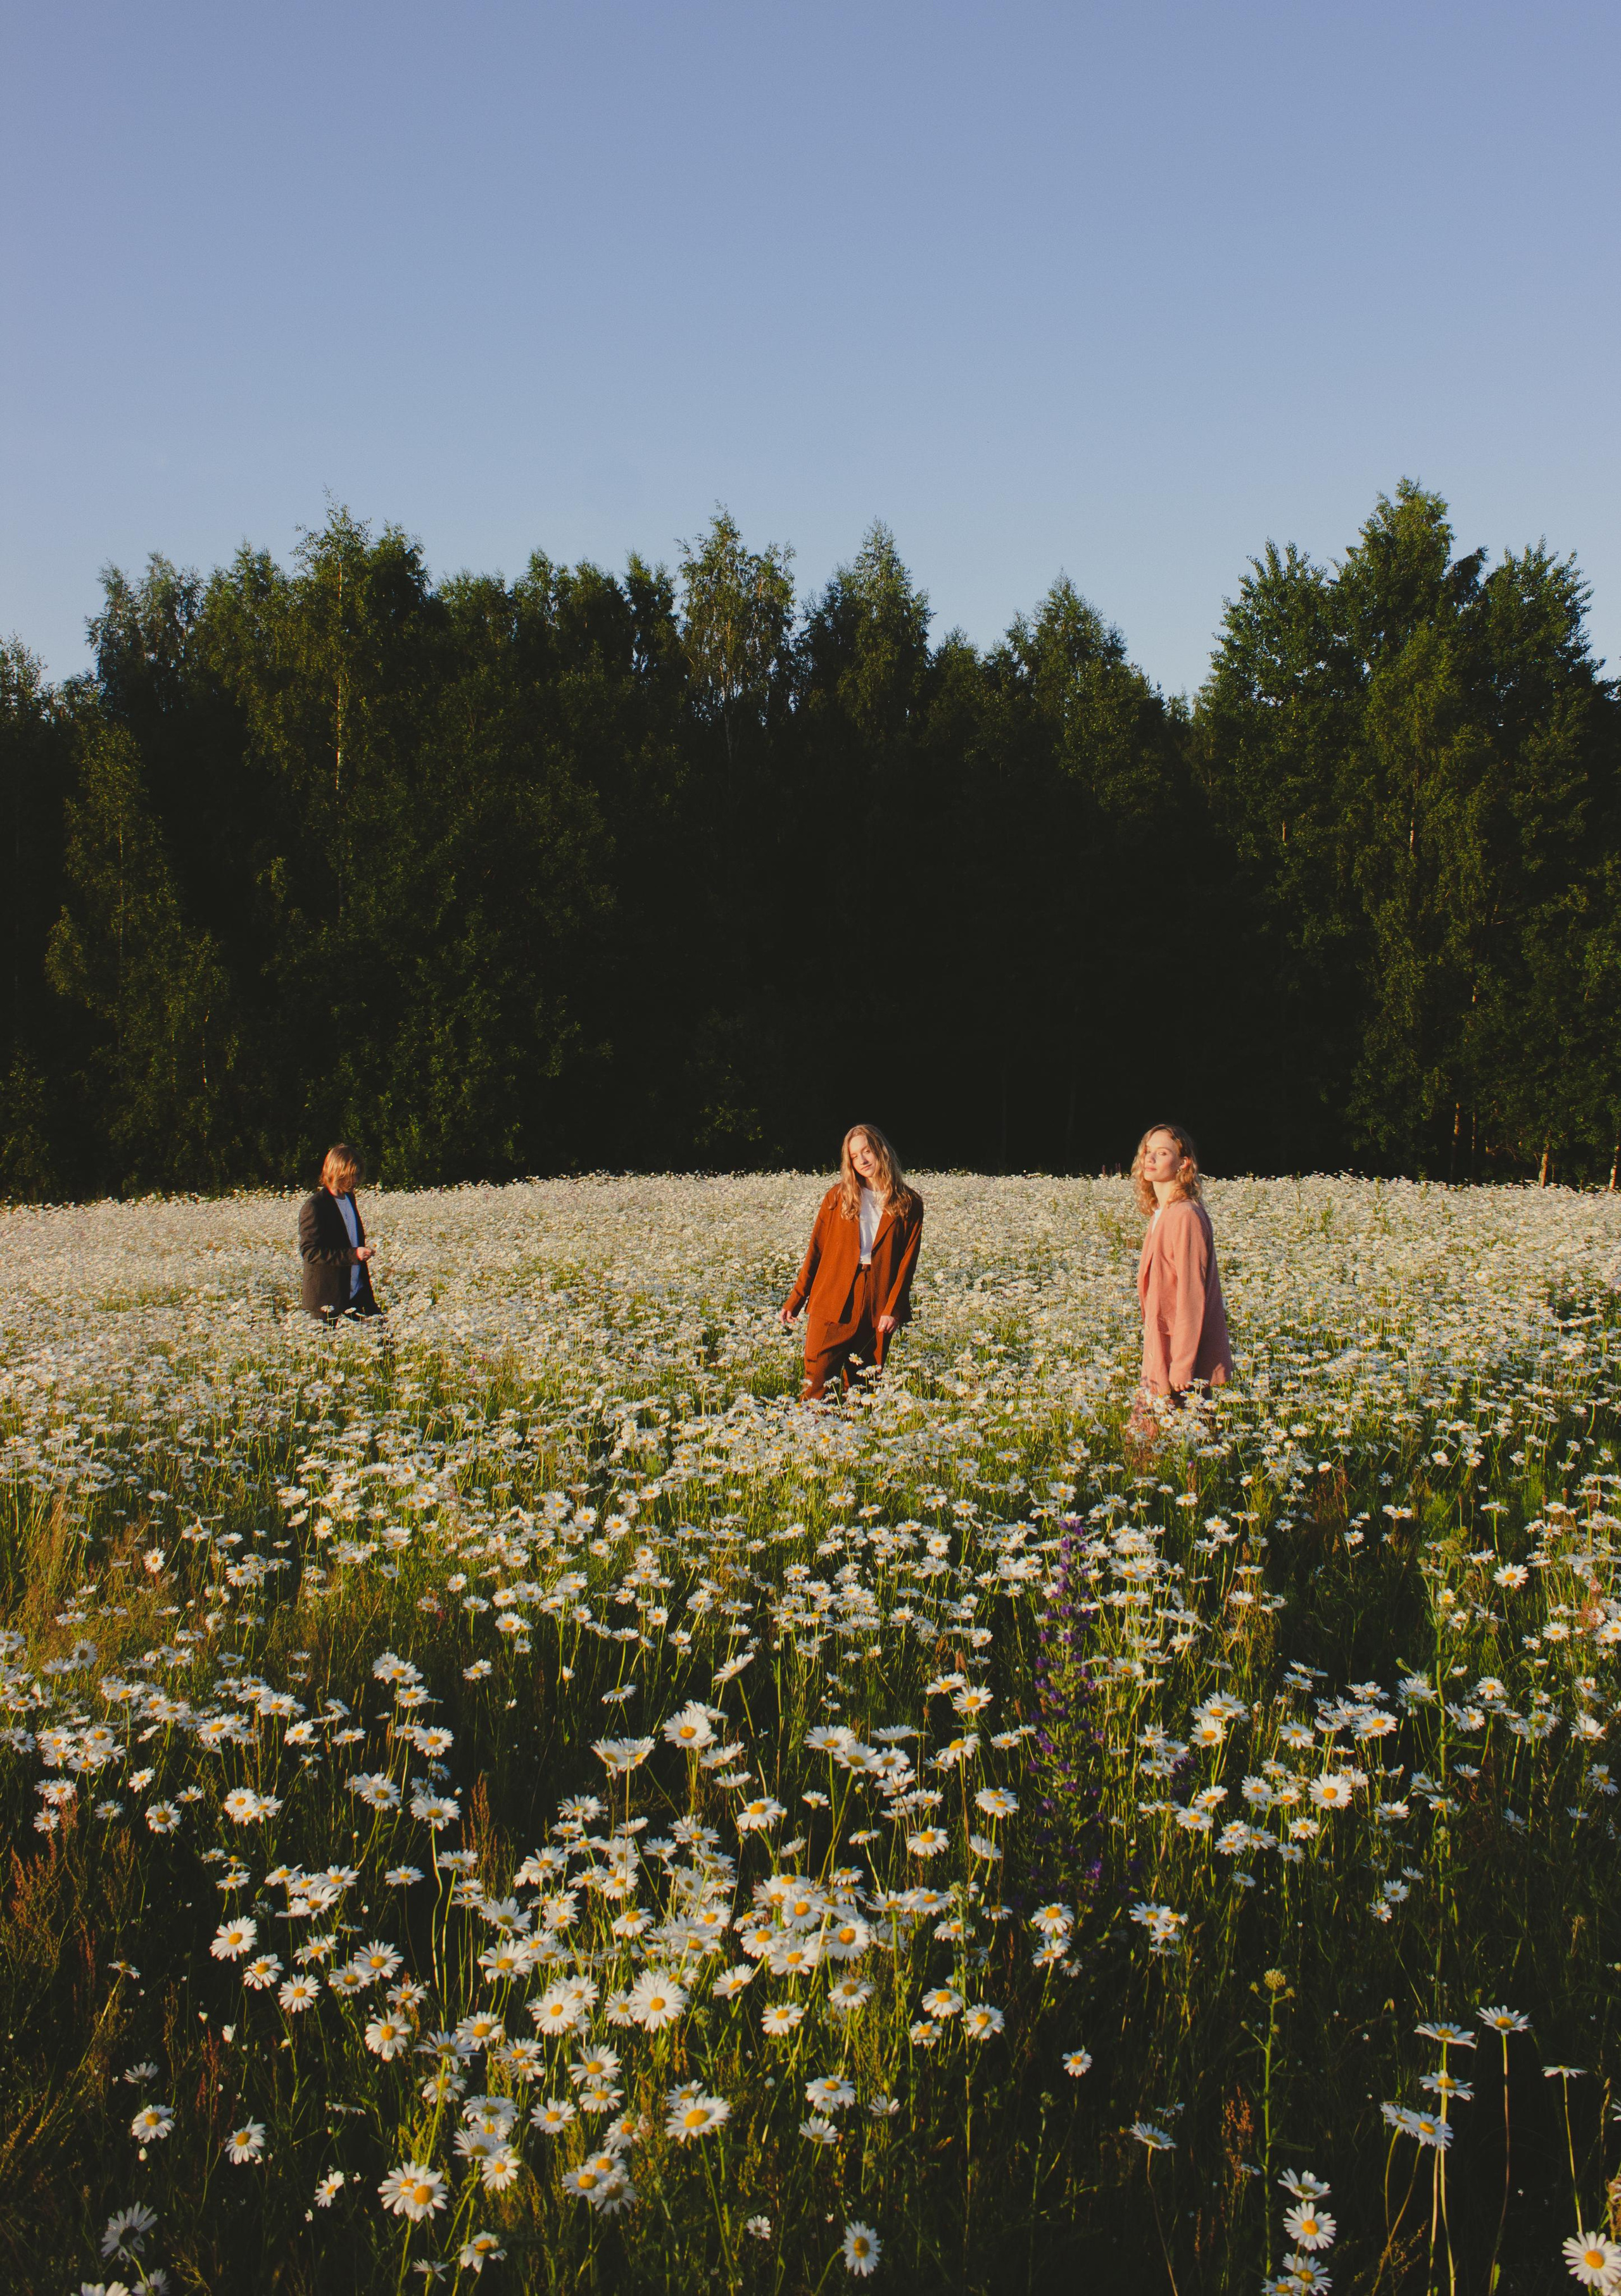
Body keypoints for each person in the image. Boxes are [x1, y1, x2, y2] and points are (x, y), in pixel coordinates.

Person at [780, 1126, 924, 1400]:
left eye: (867, 1151)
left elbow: (908, 1262)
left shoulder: (909, 1203)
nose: (863, 1161)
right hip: (832, 1296)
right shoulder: (838, 1196)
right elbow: (816, 1251)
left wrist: (892, 1308)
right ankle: (812, 1439)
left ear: (881, 1151)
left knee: (865, 1389)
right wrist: (796, 1299)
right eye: (855, 1156)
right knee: (816, 1384)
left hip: (877, 1302)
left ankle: (854, 1439)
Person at [1133, 1121, 1232, 1402]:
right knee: (1152, 1440)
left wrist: (1182, 1365)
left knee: (1185, 1439)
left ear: (1183, 1163)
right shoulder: (1160, 1213)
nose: (1149, 1159)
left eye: (1162, 1153)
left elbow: (1192, 1295)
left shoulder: (1185, 1216)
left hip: (1179, 1361)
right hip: (1160, 1350)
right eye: (1147, 1151)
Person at [299, 1143, 381, 1319]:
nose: (357, 1180)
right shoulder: (315, 1206)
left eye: (358, 1174)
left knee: (384, 1335)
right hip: (327, 1294)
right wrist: (353, 1255)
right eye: (353, 1175)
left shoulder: (350, 1198)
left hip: (356, 1288)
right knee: (323, 1346)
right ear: (338, 1172)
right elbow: (310, 1252)